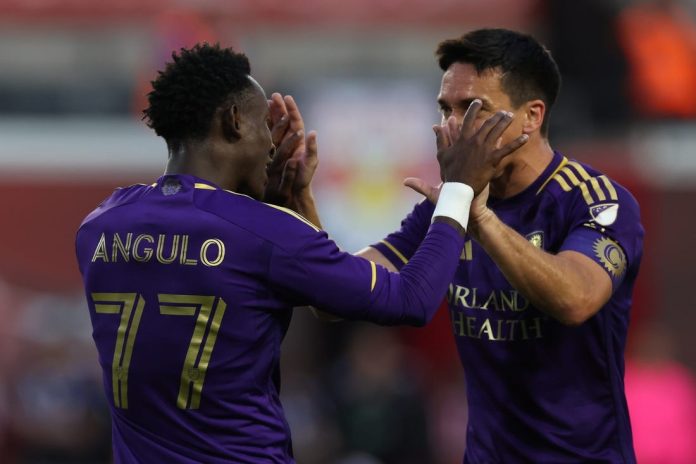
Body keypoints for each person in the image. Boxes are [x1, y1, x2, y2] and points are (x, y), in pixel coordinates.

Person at [74, 43, 525, 463]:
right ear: (234, 121)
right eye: (263, 125)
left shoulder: (99, 227)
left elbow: (223, 262)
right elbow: (411, 299)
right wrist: (459, 190)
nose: (272, 144)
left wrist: (283, 210)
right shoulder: (264, 234)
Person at [289, 28, 645, 462]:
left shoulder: (593, 199)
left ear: (532, 116)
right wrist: (301, 205)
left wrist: (477, 216)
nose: (453, 125)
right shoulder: (444, 209)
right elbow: (334, 300)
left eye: (474, 108)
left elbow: (575, 299)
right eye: (446, 108)